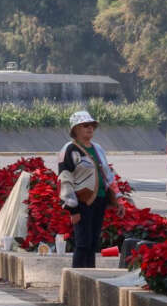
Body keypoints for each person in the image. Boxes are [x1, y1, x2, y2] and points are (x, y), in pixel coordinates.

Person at [58, 110, 125, 269]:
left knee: (93, 242)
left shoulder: (98, 148)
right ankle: (77, 279)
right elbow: (65, 179)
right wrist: (72, 209)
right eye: (85, 125)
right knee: (82, 243)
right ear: (75, 129)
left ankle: (89, 276)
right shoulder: (69, 150)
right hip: (81, 202)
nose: (90, 129)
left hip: (100, 200)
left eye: (92, 126)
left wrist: (118, 199)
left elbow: (108, 175)